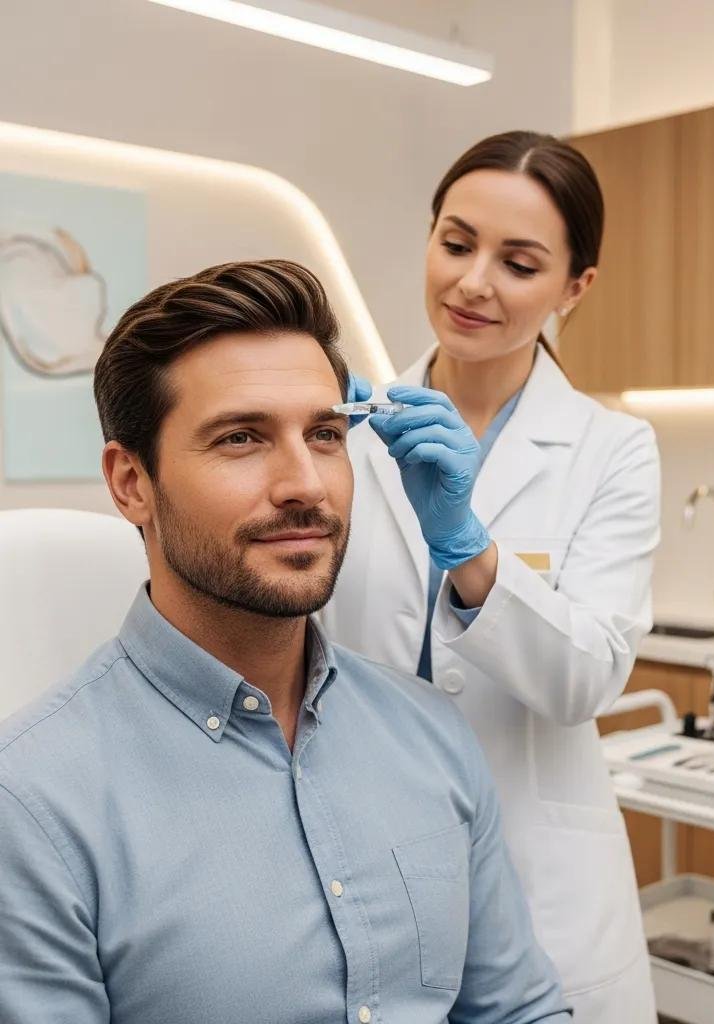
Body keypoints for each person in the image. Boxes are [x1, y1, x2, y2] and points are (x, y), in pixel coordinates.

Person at [0, 260, 571, 1024]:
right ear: (131, 483)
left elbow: (517, 1012)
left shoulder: (430, 733)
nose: (306, 482)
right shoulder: (31, 806)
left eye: (325, 434)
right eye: (242, 438)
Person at [323, 131, 661, 1022]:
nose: (474, 283)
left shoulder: (612, 451)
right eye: (457, 242)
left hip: (540, 878)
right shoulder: (346, 429)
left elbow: (586, 677)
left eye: (519, 263)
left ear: (574, 287)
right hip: (365, 854)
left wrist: (469, 546)